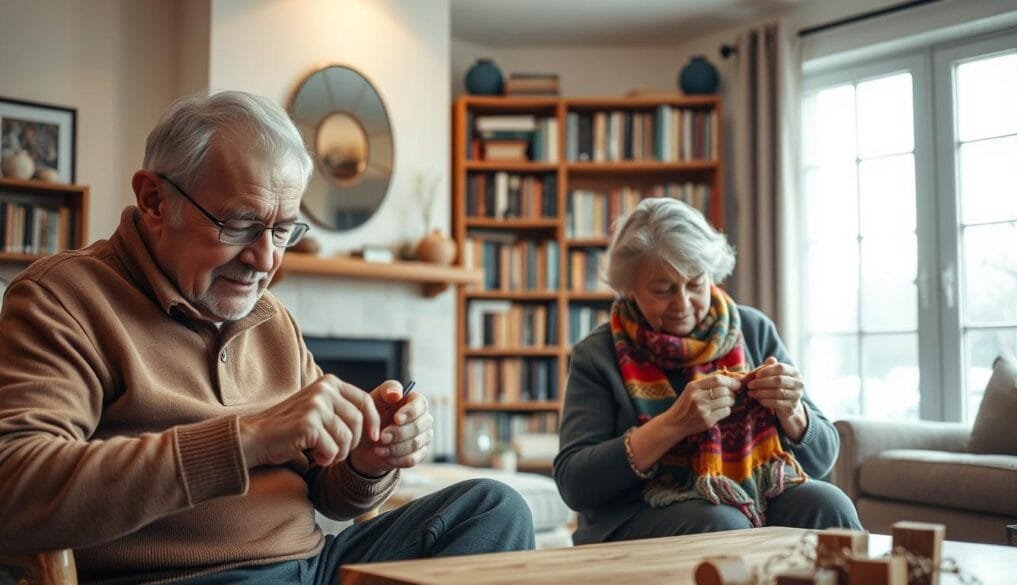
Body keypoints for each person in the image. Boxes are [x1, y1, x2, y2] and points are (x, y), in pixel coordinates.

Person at [0, 91, 533, 583]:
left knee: (493, 508)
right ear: (155, 201)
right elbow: (14, 489)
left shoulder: (271, 318)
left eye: (284, 230)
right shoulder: (64, 298)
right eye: (239, 224)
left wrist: (367, 460)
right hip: (189, 577)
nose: (267, 259)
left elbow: (328, 494)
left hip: (312, 565)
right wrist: (245, 437)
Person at [554, 197, 861, 545]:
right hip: (633, 513)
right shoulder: (598, 354)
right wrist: (673, 424)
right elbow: (575, 484)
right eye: (663, 290)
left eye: (695, 284)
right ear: (629, 288)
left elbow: (822, 459)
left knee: (827, 503)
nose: (683, 304)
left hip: (757, 493)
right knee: (719, 521)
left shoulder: (752, 329)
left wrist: (793, 412)